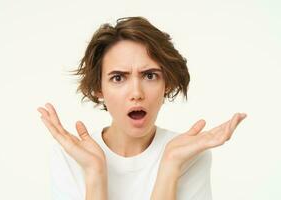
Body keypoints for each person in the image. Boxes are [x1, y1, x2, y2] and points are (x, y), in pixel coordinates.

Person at [37, 16, 247, 200]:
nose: (136, 93)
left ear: (167, 83)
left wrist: (170, 166)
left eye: (149, 75)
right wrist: (95, 174)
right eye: (118, 78)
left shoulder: (189, 154)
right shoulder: (70, 156)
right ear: (98, 88)